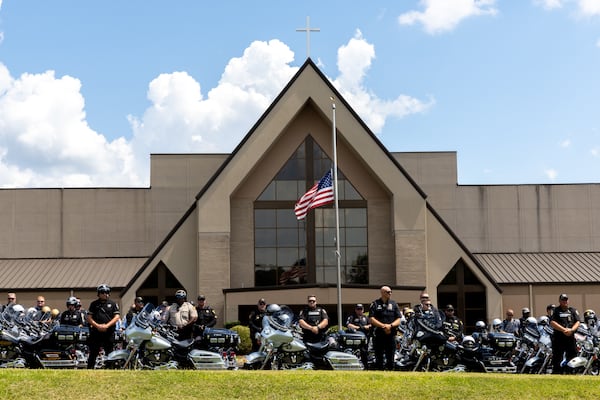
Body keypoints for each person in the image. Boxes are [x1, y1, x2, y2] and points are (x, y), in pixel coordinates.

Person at [86, 284, 121, 369]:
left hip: (108, 332)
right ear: (98, 293)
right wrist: (97, 326)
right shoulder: (94, 304)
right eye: (103, 292)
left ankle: (110, 368)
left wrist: (107, 326)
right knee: (93, 352)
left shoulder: (113, 304)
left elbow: (117, 317)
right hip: (96, 332)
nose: (105, 294)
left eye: (107, 292)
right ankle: (90, 369)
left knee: (109, 352)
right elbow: (89, 318)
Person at [368, 286, 401, 370]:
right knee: (379, 357)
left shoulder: (394, 304)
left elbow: (398, 319)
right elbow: (371, 318)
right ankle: (380, 372)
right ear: (382, 293)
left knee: (390, 356)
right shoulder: (375, 304)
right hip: (379, 335)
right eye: (388, 292)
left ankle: (391, 372)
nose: (390, 293)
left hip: (390, 334)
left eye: (390, 292)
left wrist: (390, 326)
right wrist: (383, 326)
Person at [550, 293, 580, 374]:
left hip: (570, 337)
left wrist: (571, 330)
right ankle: (557, 373)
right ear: (559, 301)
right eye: (563, 300)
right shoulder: (555, 310)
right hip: (559, 338)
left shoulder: (572, 310)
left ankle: (570, 372)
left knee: (572, 356)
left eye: (566, 300)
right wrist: (564, 330)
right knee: (557, 357)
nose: (565, 301)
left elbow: (577, 322)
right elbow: (552, 322)